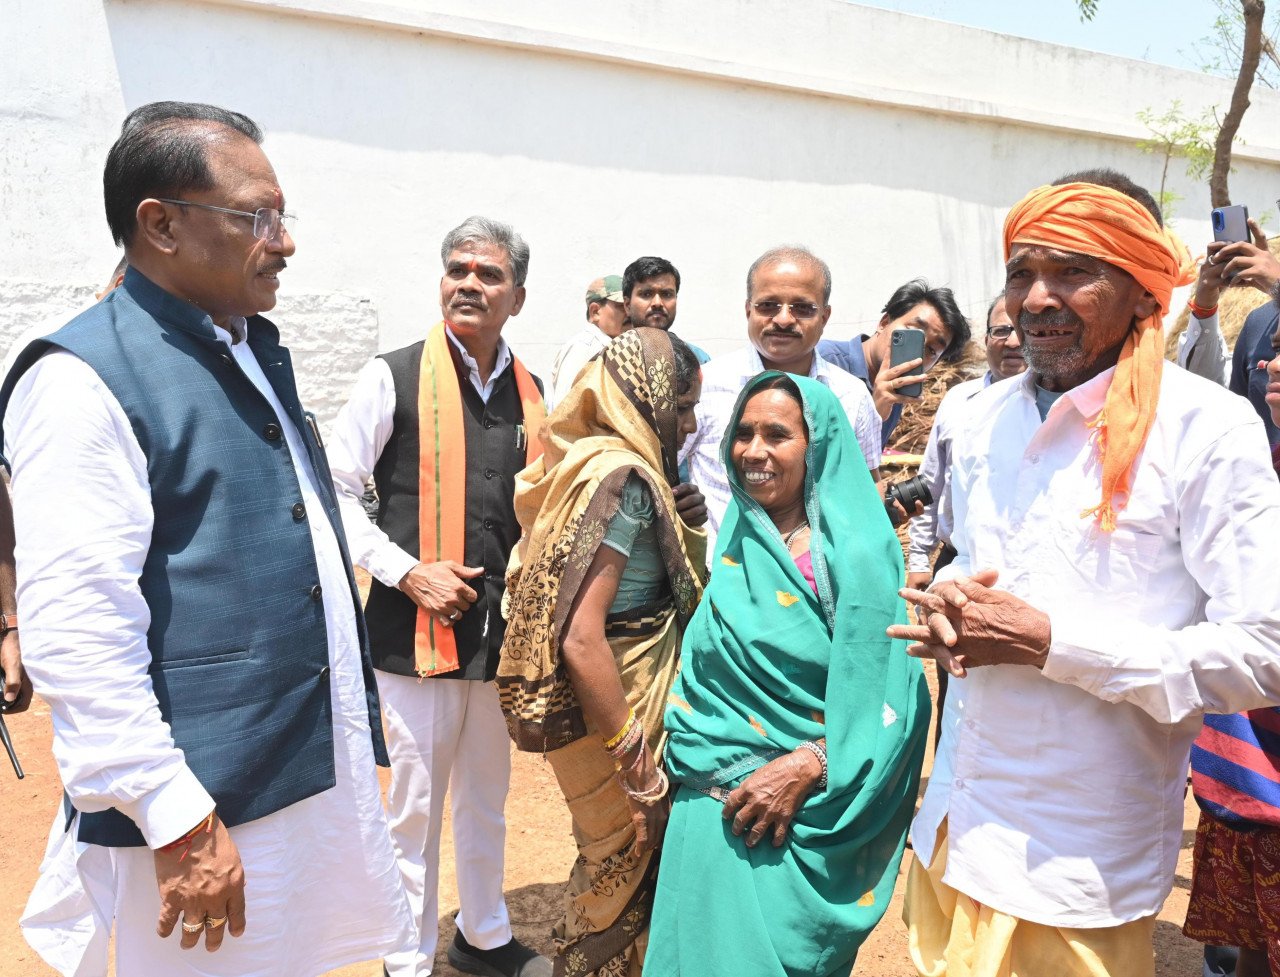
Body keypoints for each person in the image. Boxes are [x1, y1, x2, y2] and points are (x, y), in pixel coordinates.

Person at [6, 101, 413, 976]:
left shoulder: (245, 349)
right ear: (161, 225)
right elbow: (78, 631)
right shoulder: (81, 381)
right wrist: (175, 816)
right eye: (256, 217)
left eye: (282, 217)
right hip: (201, 803)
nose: (284, 242)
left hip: (286, 774)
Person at [890, 169, 1280, 977]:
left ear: (1143, 290)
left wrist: (1051, 643)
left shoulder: (1206, 429)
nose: (1036, 298)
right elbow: (979, 568)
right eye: (1022, 272)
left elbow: (1264, 650)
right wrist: (950, 609)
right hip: (954, 830)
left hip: (1074, 868)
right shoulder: (978, 417)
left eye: (1073, 270)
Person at [647, 372, 928, 976]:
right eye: (744, 433)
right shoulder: (739, 536)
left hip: (785, 816)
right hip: (703, 806)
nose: (754, 451)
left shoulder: (853, 553)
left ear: (817, 445)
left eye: (777, 435)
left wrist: (812, 763)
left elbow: (893, 692)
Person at [328, 216, 550, 977]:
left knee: (487, 797)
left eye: (489, 274)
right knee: (413, 810)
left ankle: (483, 936)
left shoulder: (534, 393)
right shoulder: (391, 376)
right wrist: (404, 571)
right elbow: (332, 489)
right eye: (458, 269)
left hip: (498, 638)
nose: (469, 284)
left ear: (518, 296)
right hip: (410, 632)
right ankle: (407, 960)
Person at [497, 327, 708, 977]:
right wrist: (639, 768)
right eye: (683, 407)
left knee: (607, 868)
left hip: (588, 710)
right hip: (619, 706)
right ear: (647, 401)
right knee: (629, 872)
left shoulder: (578, 462)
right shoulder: (625, 480)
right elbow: (582, 635)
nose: (690, 424)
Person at [680, 246, 882, 539]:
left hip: (818, 567)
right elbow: (659, 471)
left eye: (802, 308)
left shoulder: (851, 396)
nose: (784, 319)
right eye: (768, 305)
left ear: (825, 317)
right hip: (719, 565)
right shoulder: (705, 385)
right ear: (748, 310)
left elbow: (866, 488)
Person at [906, 292, 1025, 591]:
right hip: (957, 561)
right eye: (1001, 331)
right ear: (986, 340)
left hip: (1021, 565)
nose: (1012, 342)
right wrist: (919, 559)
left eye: (1022, 330)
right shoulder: (959, 400)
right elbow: (931, 481)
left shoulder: (1056, 409)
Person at [818, 278, 971, 446]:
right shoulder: (825, 361)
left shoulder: (896, 391)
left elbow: (869, 459)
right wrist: (874, 414)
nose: (919, 350)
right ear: (884, 323)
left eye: (932, 350)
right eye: (913, 334)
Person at [1180, 220, 1280, 441]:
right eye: (1277, 349)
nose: (1273, 366)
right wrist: (1205, 306)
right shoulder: (1259, 322)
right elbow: (1216, 404)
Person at [549, 274, 629, 406]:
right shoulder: (583, 348)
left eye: (629, 306)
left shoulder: (613, 346)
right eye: (621, 306)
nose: (629, 313)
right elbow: (564, 408)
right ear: (595, 311)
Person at [621, 255, 709, 363]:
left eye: (667, 294)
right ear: (628, 305)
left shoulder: (697, 360)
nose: (657, 303)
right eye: (646, 294)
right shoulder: (612, 358)